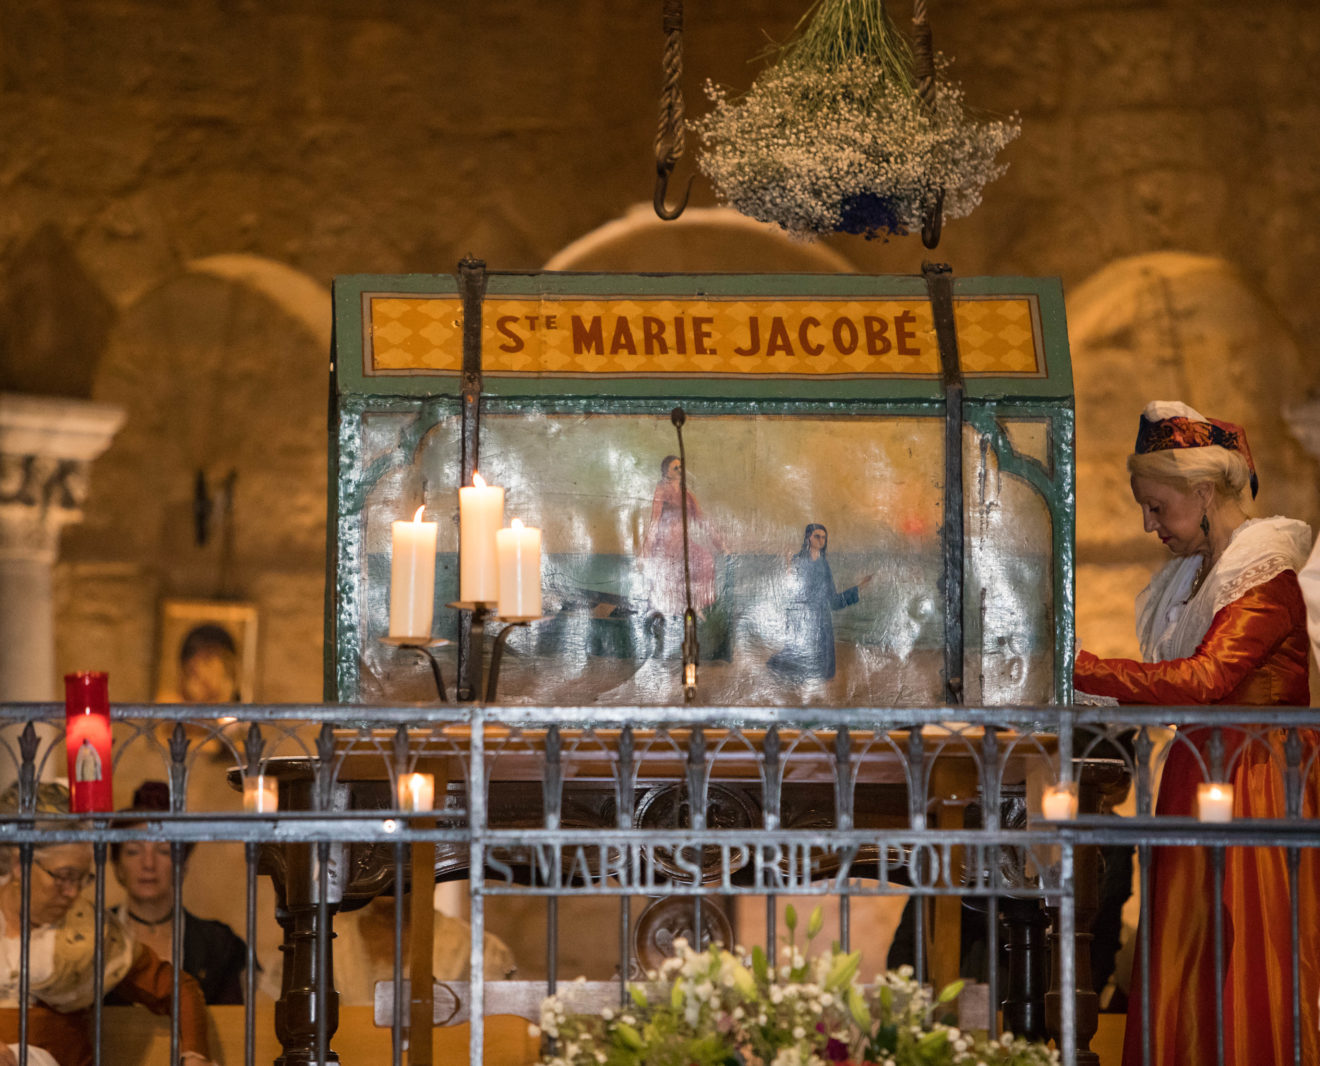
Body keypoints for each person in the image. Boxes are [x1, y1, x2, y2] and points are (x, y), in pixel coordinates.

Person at [1073, 401, 1319, 1066]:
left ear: (1204, 493)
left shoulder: (1264, 576)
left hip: (1255, 781)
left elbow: (1206, 677)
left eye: (1158, 508)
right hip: (1201, 773)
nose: (1150, 525)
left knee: (1242, 950)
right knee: (1188, 947)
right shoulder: (1196, 581)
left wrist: (1084, 668)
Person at [0, 783, 216, 1066]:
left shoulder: (92, 934)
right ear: (19, 864)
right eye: (64, 876)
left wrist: (194, 1056)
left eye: (82, 879)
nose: (73, 892)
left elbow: (178, 989)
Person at [109, 781, 248, 1005]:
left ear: (182, 866)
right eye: (134, 851)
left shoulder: (218, 944)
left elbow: (233, 1024)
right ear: (116, 866)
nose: (148, 863)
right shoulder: (94, 935)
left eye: (163, 850)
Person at [767, 523, 874, 681]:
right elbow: (791, 589)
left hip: (822, 616)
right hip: (803, 616)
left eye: (824, 537)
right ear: (808, 538)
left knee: (822, 671)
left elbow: (833, 598)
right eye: (817, 536)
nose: (821, 540)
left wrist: (859, 588)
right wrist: (788, 563)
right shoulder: (798, 560)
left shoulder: (824, 564)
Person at [640, 454, 722, 618]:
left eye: (680, 467)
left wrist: (720, 543)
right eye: (675, 468)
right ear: (666, 471)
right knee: (671, 569)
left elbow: (702, 519)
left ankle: (695, 604)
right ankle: (671, 608)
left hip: (683, 543)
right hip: (665, 544)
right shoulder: (661, 490)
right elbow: (654, 521)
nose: (679, 470)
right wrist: (645, 551)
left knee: (705, 560)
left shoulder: (687, 493)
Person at [177, 624, 241, 703]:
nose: (200, 670)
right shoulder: (179, 709)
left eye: (207, 660)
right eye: (191, 671)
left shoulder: (243, 711)